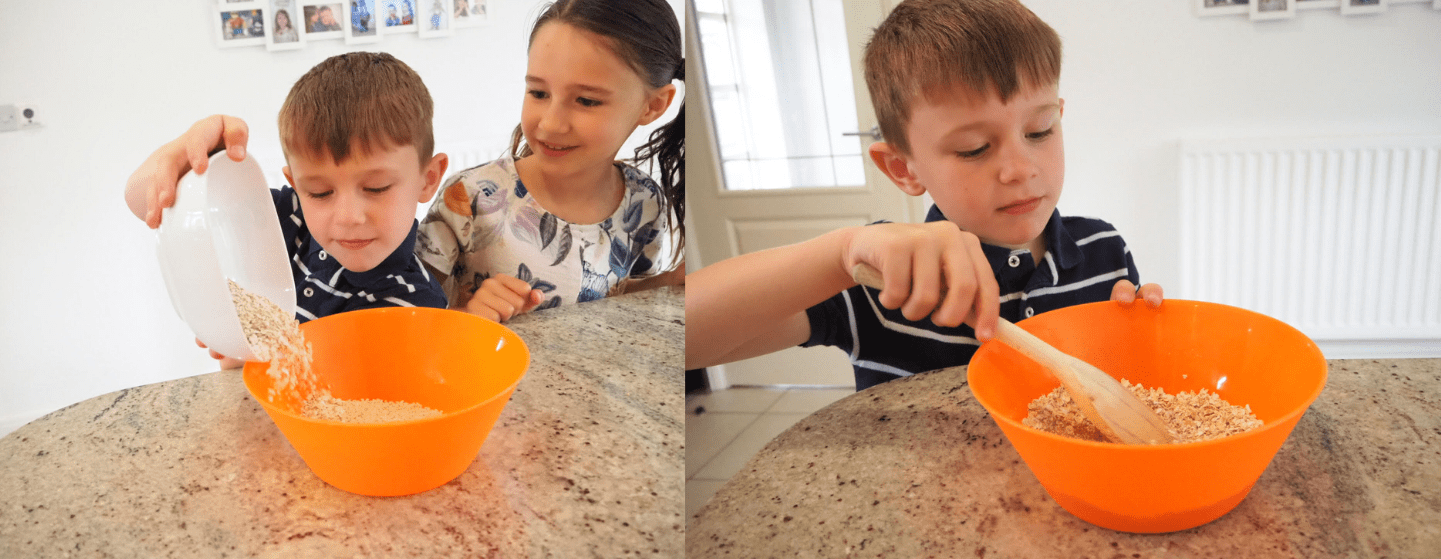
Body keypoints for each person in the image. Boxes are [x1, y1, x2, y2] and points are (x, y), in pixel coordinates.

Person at [685, 0, 1165, 389]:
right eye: (974, 148)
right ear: (903, 167)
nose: (1021, 170)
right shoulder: (882, 279)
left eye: (1040, 131)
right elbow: (678, 338)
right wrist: (839, 254)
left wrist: (1139, 346)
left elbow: (1119, 391)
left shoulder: (1105, 252)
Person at [125, 53, 452, 365]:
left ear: (428, 179)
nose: (348, 216)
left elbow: (349, 406)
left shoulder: (417, 307)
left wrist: (253, 366)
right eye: (320, 192)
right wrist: (185, 152)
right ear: (295, 184)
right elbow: (141, 202)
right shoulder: (288, 220)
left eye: (376, 187)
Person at [416, 0, 687, 323]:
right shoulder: (468, 198)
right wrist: (468, 316)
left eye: (586, 101)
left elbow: (617, 301)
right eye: (539, 93)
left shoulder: (644, 202)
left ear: (654, 105)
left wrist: (668, 283)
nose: (550, 124)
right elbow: (410, 319)